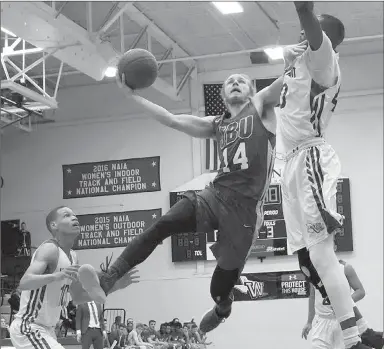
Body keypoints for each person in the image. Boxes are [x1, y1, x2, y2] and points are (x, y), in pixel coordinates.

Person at [77, 51, 304, 333]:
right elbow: (171, 119)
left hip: (244, 212)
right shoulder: (216, 124)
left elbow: (288, 81)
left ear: (252, 90)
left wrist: (299, 59)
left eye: (241, 81)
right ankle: (109, 278)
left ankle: (223, 307)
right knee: (163, 224)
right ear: (222, 94)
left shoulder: (262, 107)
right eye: (229, 81)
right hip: (214, 195)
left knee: (218, 289)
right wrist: (131, 96)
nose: (235, 82)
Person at [278, 2, 379, 349]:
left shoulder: (323, 59)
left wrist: (303, 13)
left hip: (309, 158)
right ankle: (362, 328)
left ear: (323, 39)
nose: (300, 35)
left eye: (307, 32)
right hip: (289, 164)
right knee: (307, 261)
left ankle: (353, 338)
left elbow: (306, 13)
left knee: (322, 255)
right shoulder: (301, 63)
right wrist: (286, 62)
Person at [9, 206, 139, 349]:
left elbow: (78, 298)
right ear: (54, 225)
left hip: (48, 329)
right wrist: (56, 276)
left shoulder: (73, 257)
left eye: (74, 215)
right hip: (29, 327)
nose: (74, 217)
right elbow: (25, 282)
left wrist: (116, 286)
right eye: (66, 215)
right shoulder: (49, 249)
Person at [302, 257, 383, 349]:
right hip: (322, 322)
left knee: (357, 343)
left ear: (334, 247)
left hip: (342, 320)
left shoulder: (345, 268)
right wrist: (309, 322)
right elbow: (312, 296)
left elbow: (360, 291)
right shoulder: (314, 270)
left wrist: (341, 304)